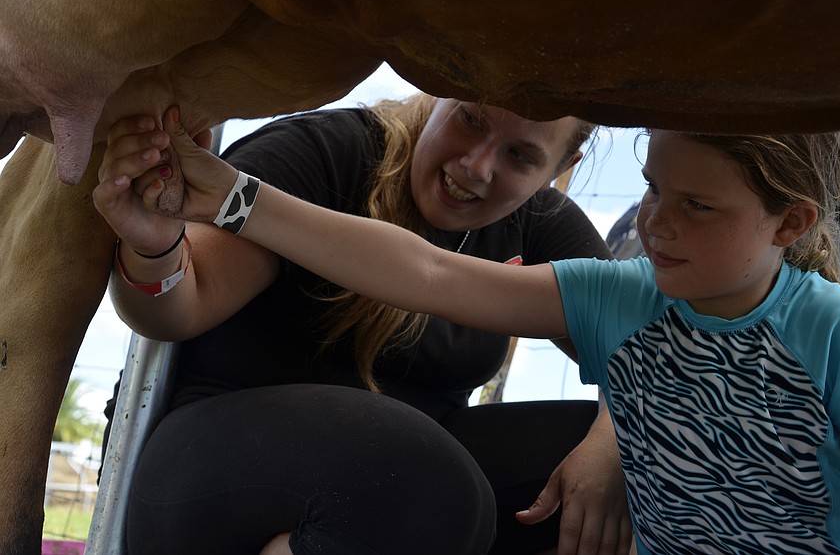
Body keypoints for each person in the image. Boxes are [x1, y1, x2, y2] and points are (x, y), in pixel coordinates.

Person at [98, 113, 840, 554]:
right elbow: (427, 273)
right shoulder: (620, 291)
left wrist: (614, 433)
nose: (654, 223)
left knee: (554, 478)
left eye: (698, 206)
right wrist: (234, 197)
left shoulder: (829, 333)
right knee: (418, 475)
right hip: (227, 465)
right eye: (652, 188)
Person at [94, 97, 634, 555]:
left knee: (619, 463)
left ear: (561, 164)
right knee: (419, 479)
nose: (476, 165)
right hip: (211, 464)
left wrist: (618, 441)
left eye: (520, 156)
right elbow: (180, 307)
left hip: (410, 483)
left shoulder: (540, 225)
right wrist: (156, 248)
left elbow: (646, 355)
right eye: (470, 119)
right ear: (440, 91)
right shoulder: (329, 151)